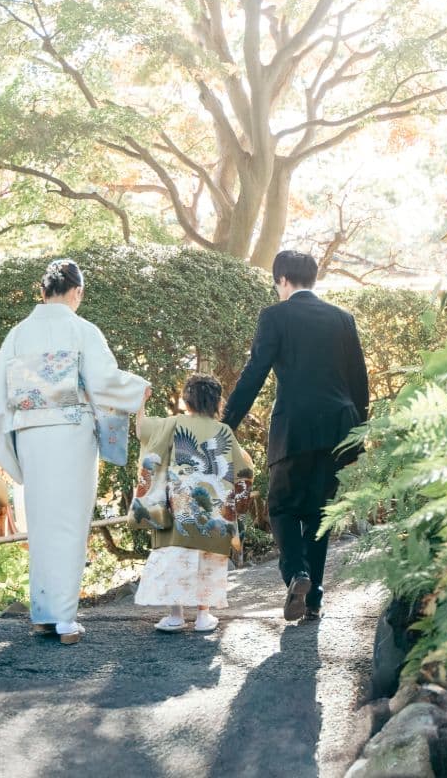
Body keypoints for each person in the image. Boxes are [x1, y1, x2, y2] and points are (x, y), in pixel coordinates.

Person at [0, 259, 148, 645]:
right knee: (70, 520)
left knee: (41, 521)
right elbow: (103, 381)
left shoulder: (18, 333)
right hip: (71, 431)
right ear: (77, 291)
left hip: (32, 432)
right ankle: (65, 619)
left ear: (43, 291)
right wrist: (138, 389)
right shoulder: (82, 329)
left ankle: (43, 615)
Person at [222, 250, 369, 623]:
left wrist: (227, 423)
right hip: (339, 427)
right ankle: (314, 600)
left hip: (295, 427)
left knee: (282, 506)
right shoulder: (342, 318)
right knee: (319, 515)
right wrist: (359, 434)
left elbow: (255, 372)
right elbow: (359, 382)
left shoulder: (276, 316)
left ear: (283, 280)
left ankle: (297, 575)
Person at [132, 374, 254, 633]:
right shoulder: (224, 431)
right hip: (215, 515)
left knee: (176, 560)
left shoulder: (173, 423)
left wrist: (141, 402)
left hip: (180, 509)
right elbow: (244, 468)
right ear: (218, 403)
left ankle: (175, 616)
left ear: (187, 400)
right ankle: (203, 617)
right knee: (208, 561)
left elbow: (141, 430)